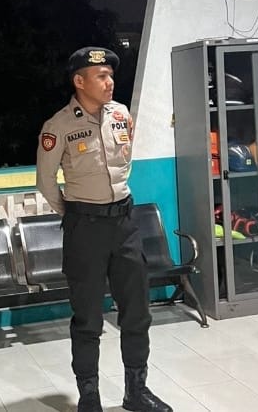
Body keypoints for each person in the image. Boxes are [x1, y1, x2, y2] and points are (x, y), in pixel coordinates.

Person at [36, 47, 172, 412]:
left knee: (137, 312)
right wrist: (75, 212)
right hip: (85, 228)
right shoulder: (58, 126)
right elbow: (46, 182)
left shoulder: (121, 114)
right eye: (101, 76)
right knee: (87, 319)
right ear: (79, 81)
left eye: (110, 74)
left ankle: (136, 391)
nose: (109, 81)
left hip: (125, 224)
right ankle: (89, 397)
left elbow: (124, 164)